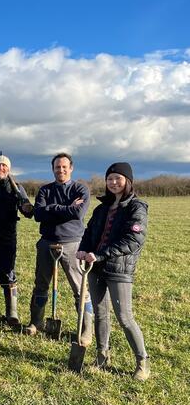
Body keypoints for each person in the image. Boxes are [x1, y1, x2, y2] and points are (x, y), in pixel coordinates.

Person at [77, 162, 150, 381]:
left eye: (118, 178)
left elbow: (133, 240)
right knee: (100, 313)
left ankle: (142, 362)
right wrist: (83, 249)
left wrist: (100, 254)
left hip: (119, 270)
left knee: (125, 317)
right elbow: (90, 233)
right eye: (110, 179)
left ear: (128, 181)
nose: (113, 182)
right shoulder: (101, 208)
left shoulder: (137, 207)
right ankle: (102, 355)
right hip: (95, 267)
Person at [26, 153, 93, 338]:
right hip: (47, 242)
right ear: (53, 169)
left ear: (71, 168)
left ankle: (86, 329)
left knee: (80, 287)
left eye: (64, 167)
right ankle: (36, 322)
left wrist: (52, 208)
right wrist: (65, 208)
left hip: (72, 243)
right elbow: (38, 214)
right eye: (57, 167)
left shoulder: (81, 189)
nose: (61, 170)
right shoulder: (45, 190)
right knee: (41, 284)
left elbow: (78, 213)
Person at [0, 153, 33, 327]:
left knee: (8, 274)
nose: (0, 168)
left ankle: (12, 314)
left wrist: (26, 207)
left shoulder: (17, 187)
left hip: (7, 237)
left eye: (4, 166)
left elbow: (27, 210)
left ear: (8, 169)